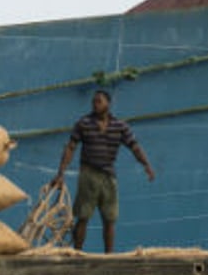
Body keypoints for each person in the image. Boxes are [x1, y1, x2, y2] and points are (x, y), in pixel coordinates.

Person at [51, 90, 154, 253]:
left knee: (109, 219)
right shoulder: (83, 123)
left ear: (108, 103)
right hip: (88, 175)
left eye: (99, 101)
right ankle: (77, 253)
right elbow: (71, 147)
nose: (95, 104)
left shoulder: (120, 126)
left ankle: (109, 257)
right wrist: (60, 173)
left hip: (108, 176)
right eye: (94, 102)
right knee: (83, 217)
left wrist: (146, 165)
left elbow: (134, 146)